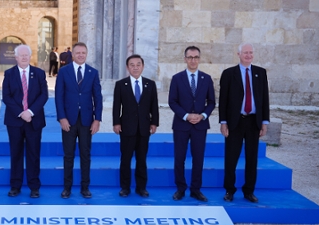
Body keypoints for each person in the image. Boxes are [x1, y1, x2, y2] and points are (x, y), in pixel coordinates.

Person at [219, 43, 270, 203]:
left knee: (252, 158)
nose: (248, 55)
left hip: (253, 121)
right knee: (231, 158)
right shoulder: (229, 74)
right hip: (235, 122)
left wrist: (265, 121)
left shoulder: (260, 73)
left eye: (251, 52)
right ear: (238, 54)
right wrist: (223, 122)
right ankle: (229, 190)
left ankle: (249, 191)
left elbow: (264, 99)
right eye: (245, 52)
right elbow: (223, 100)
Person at [55, 42, 102, 199]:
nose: (81, 55)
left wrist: (97, 119)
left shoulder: (93, 72)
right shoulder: (63, 71)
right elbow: (59, 96)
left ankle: (85, 188)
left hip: (87, 121)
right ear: (72, 54)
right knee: (68, 155)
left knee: (85, 154)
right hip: (68, 120)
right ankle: (67, 188)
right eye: (78, 52)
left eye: (83, 52)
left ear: (86, 54)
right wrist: (61, 117)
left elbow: (98, 98)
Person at [168, 46, 215, 202]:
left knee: (198, 158)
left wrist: (202, 115)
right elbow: (172, 102)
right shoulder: (177, 78)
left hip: (200, 125)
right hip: (181, 125)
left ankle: (196, 189)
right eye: (190, 57)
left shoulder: (206, 79)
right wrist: (186, 116)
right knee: (179, 158)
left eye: (196, 57)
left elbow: (211, 102)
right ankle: (180, 188)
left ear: (199, 59)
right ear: (185, 59)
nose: (193, 60)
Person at [2, 44, 48, 198]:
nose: (23, 57)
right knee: (15, 153)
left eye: (26, 55)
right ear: (16, 57)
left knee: (34, 154)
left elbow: (44, 95)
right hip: (15, 121)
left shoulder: (39, 73)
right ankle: (15, 185)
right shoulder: (8, 74)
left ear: (30, 56)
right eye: (21, 55)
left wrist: (30, 111)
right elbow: (6, 97)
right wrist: (21, 113)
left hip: (34, 120)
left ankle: (34, 186)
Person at [112, 54, 159, 198]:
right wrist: (116, 123)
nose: (135, 67)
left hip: (144, 128)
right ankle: (125, 187)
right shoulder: (121, 84)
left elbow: (154, 106)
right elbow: (116, 106)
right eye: (132, 65)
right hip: (127, 128)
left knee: (141, 159)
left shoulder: (150, 84)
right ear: (127, 67)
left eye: (138, 64)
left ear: (143, 67)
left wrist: (154, 122)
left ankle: (141, 188)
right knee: (125, 159)